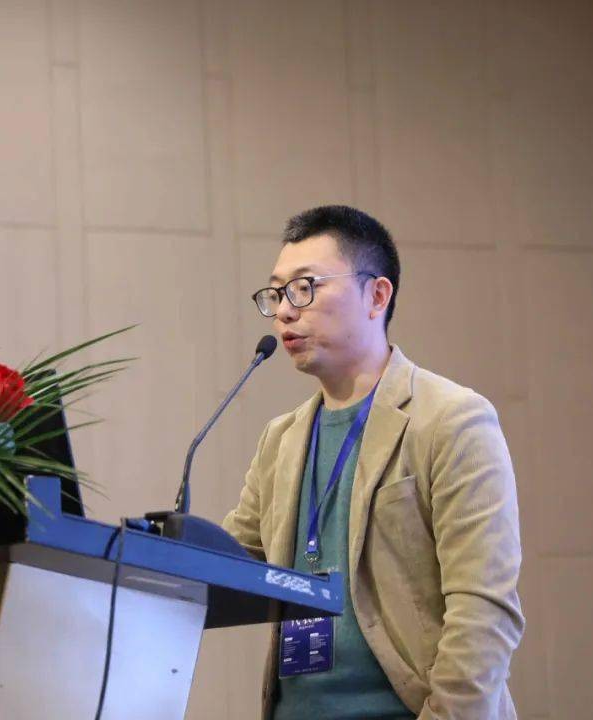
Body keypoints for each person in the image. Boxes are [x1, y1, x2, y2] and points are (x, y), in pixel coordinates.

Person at [222, 205, 525, 720]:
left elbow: (484, 611)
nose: (284, 312)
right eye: (276, 294)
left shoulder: (451, 419)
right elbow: (226, 565)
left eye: (304, 288)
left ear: (376, 296)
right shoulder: (281, 440)